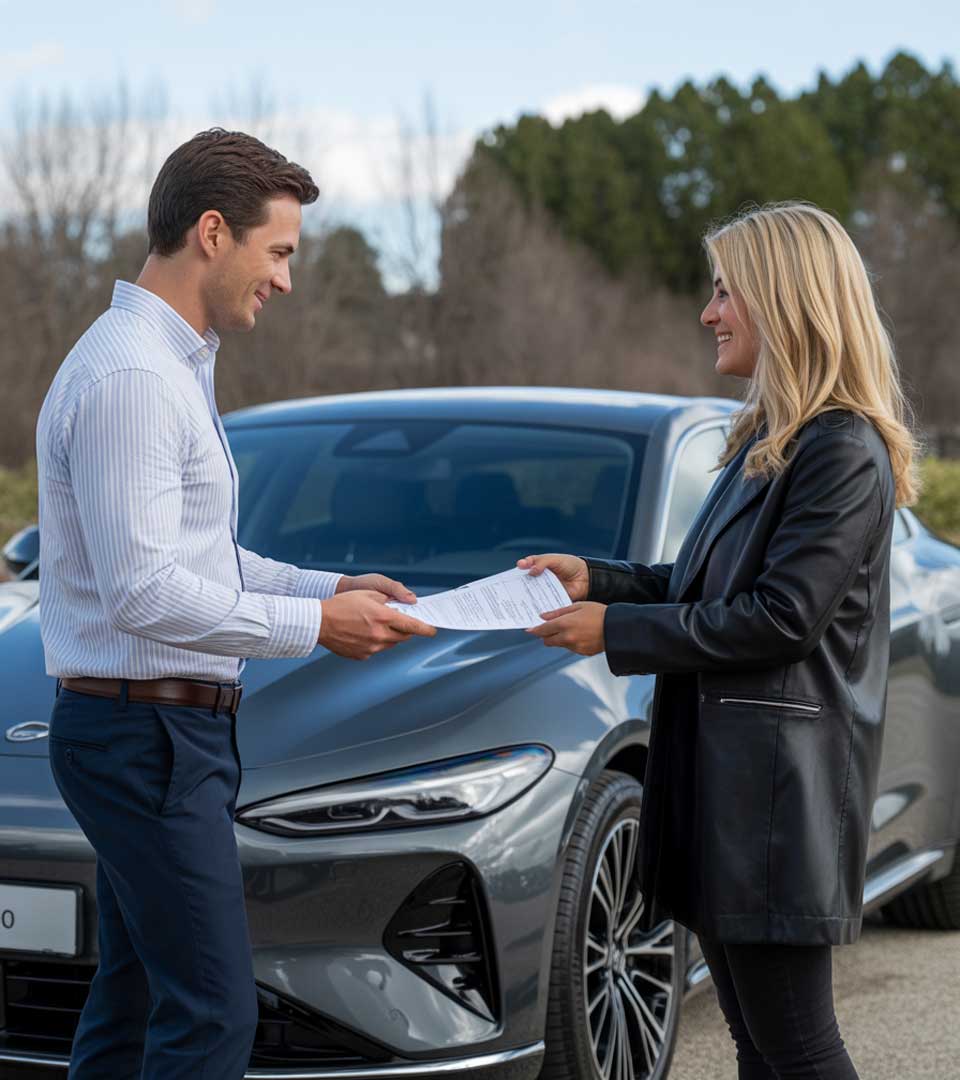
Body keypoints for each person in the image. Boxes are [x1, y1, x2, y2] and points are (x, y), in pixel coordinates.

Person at [36, 128, 436, 1080]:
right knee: (213, 1016)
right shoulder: (136, 377)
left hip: (157, 738)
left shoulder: (168, 364)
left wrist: (326, 587)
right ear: (213, 232)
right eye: (280, 252)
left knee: (136, 1006)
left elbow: (199, 557)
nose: (287, 281)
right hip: (146, 742)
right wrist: (315, 628)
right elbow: (143, 592)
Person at [520, 201, 920, 1080]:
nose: (708, 312)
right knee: (759, 1046)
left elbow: (780, 616)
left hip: (776, 811)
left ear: (787, 301)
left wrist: (612, 631)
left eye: (724, 290)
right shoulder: (767, 444)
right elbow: (705, 587)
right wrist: (601, 579)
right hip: (729, 798)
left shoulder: (842, 451)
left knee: (797, 1048)